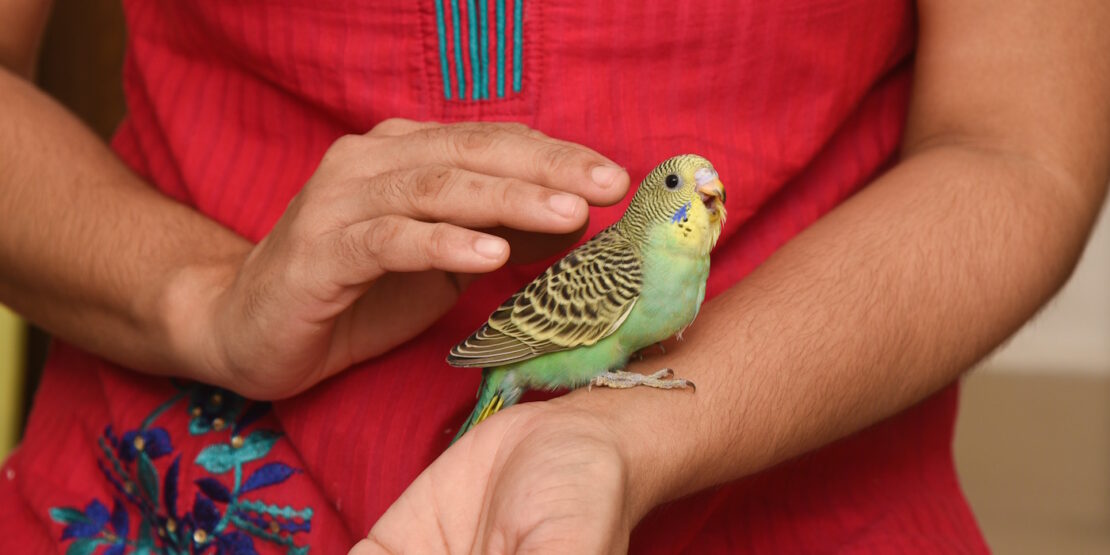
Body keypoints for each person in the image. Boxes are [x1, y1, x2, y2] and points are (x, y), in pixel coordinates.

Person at [1, 0, 1107, 553]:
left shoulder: (653, 289)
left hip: (798, 493)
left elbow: (1018, 146)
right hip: (162, 487)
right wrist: (200, 296)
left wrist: (627, 434)